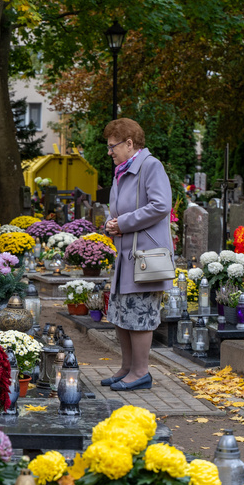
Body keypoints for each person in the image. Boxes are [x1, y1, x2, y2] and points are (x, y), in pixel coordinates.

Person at [102, 117, 173, 392]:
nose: (110, 152)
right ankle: (127, 368)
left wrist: (123, 223)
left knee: (140, 313)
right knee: (121, 312)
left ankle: (141, 372)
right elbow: (117, 210)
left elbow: (160, 205)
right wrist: (110, 223)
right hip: (126, 255)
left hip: (145, 257)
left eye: (112, 146)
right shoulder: (122, 170)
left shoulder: (150, 166)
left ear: (129, 143)